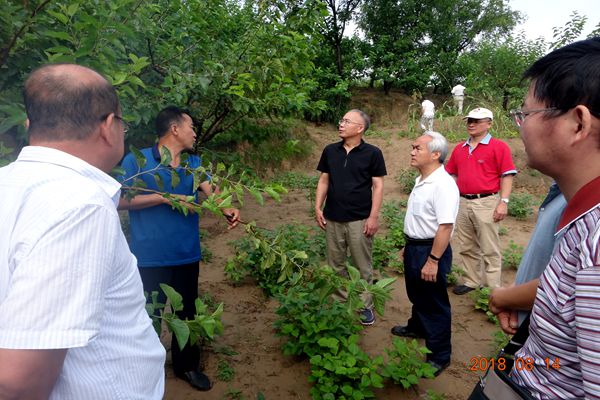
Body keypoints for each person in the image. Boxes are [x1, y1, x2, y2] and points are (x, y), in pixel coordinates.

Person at [0, 64, 165, 399]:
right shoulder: (80, 205)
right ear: (108, 127)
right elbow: (18, 381)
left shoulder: (8, 184)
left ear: (30, 125)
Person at [119, 106, 240, 391]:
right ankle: (143, 370)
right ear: (175, 129)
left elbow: (212, 192)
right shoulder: (138, 161)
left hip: (186, 253)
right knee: (148, 314)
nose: (195, 133)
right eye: (191, 127)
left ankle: (187, 366)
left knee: (187, 313)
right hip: (149, 256)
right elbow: (119, 200)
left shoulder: (194, 163)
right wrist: (165, 197)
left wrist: (227, 208)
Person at [506, 37, 600, 399]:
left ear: (578, 123)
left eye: (525, 114)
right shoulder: (582, 216)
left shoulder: (596, 246)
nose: (520, 126)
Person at [391, 131, 459, 376]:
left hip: (431, 250)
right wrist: (409, 245)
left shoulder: (443, 185)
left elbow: (445, 227)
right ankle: (417, 327)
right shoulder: (422, 179)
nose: (412, 152)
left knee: (433, 302)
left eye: (417, 148)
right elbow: (421, 219)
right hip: (416, 247)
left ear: (435, 154)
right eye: (412, 147)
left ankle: (440, 355)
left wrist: (433, 260)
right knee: (417, 293)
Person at [315, 109, 387, 326]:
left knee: (361, 265)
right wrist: (317, 207)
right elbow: (324, 180)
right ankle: (339, 303)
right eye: (341, 120)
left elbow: (378, 185)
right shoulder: (330, 150)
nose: (341, 124)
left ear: (360, 128)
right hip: (333, 217)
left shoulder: (373, 153)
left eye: (347, 121)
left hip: (359, 219)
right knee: (335, 264)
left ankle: (365, 305)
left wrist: (373, 217)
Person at [445, 107, 516, 295]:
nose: (471, 124)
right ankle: (472, 281)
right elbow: (451, 174)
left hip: (486, 202)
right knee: (467, 245)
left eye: (477, 121)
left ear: (489, 123)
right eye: (469, 120)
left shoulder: (498, 147)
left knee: (489, 246)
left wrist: (503, 202)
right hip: (462, 202)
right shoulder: (460, 148)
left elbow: (507, 175)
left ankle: (492, 287)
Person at [488, 183, 566, 334]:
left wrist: (503, 298)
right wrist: (518, 292)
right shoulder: (563, 194)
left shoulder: (587, 204)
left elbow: (564, 283)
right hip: (534, 330)